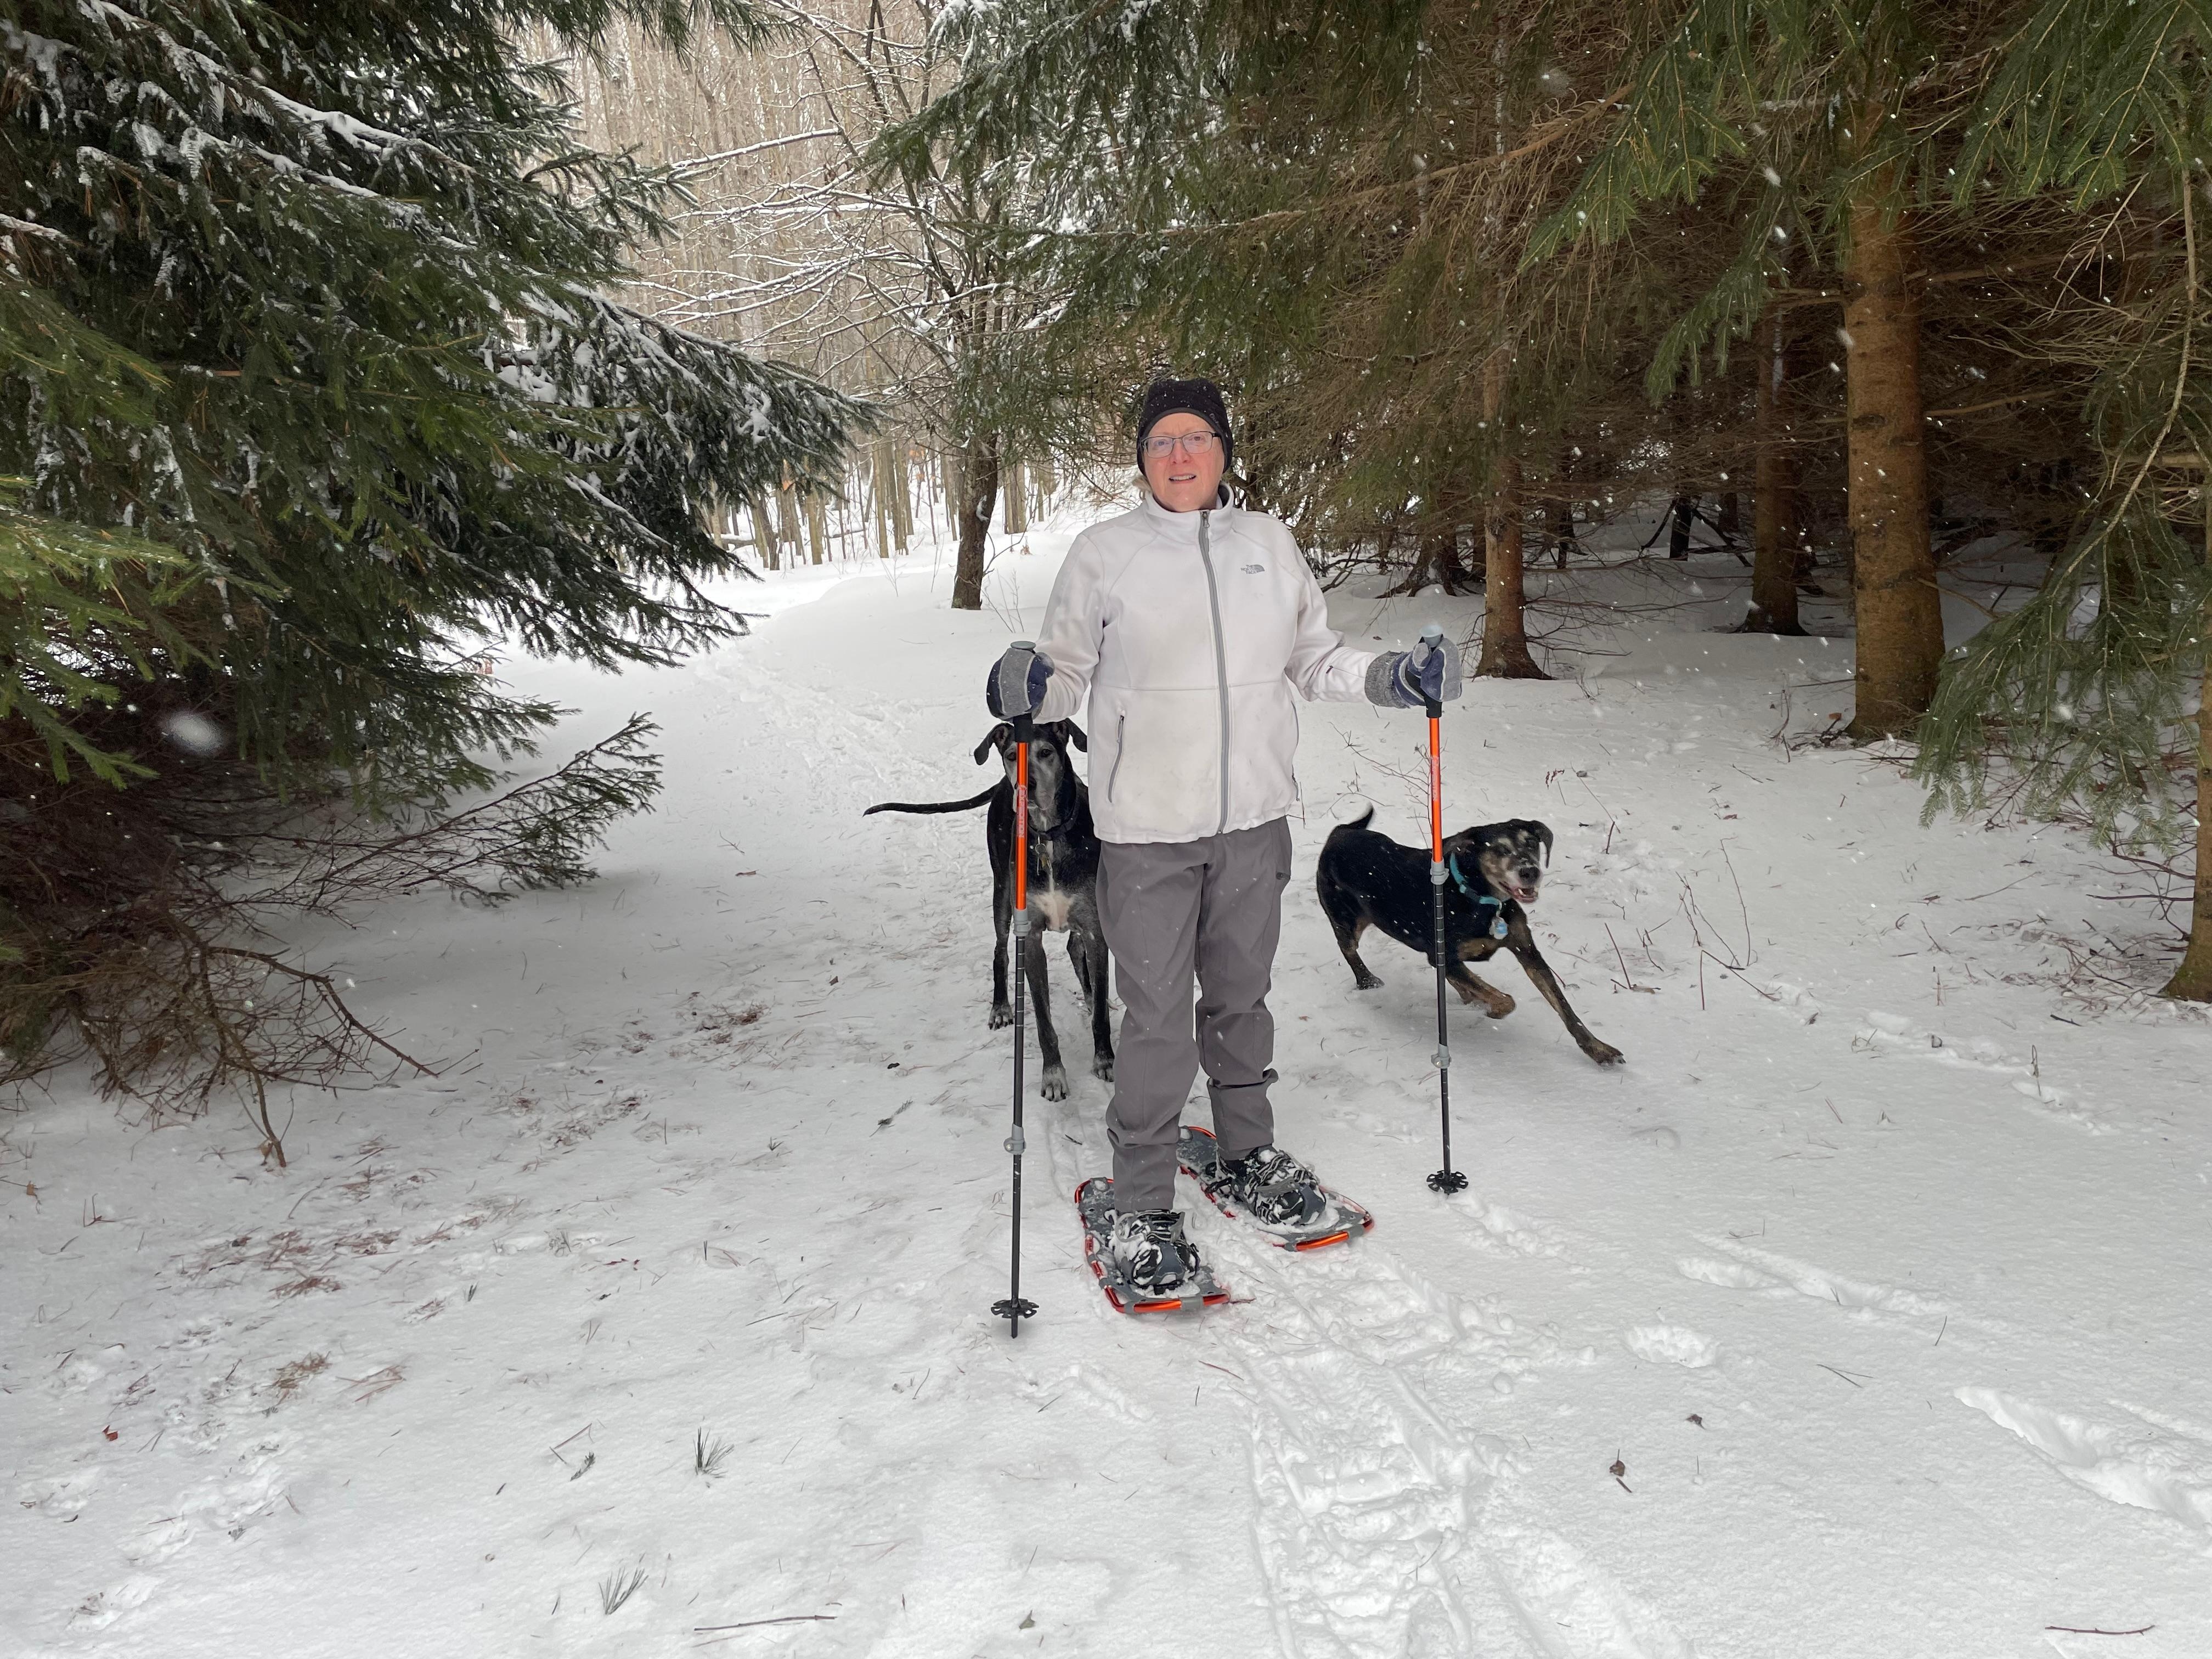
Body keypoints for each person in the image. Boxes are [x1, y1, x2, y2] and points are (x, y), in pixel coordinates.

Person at [985, 376, 1460, 1296]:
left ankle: (1247, 1153)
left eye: (1194, 437)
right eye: (1160, 441)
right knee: (1158, 1018)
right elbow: (1066, 674)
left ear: (1224, 451)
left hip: (1252, 823)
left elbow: (1312, 658)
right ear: (1141, 458)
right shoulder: (1104, 554)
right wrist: (1026, 687)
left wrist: (1393, 676)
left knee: (1241, 1000)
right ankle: (1140, 1200)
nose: (1178, 455)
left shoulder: (1269, 544)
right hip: (1147, 833)